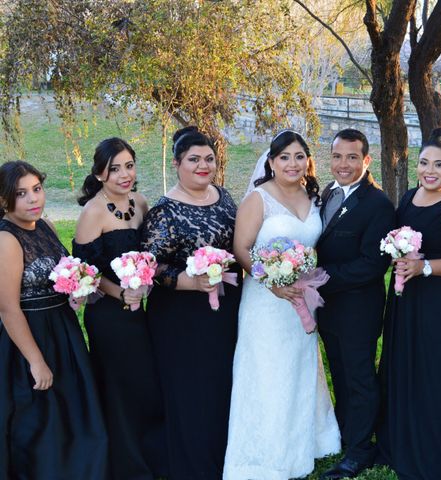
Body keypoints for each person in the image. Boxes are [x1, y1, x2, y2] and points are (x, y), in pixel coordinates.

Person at [224, 130, 340, 480]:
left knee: (298, 369)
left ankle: (303, 442)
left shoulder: (312, 197)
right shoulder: (258, 199)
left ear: (308, 161)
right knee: (267, 371)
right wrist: (271, 282)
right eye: (284, 157)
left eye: (299, 156)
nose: (292, 163)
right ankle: (264, 454)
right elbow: (241, 248)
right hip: (267, 303)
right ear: (271, 162)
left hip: (303, 298)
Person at [141, 126, 242, 480]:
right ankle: (194, 464)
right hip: (182, 316)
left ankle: (226, 455)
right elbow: (148, 267)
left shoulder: (224, 196)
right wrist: (189, 281)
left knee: (221, 383)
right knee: (192, 390)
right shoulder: (164, 212)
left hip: (225, 308)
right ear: (177, 163)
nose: (204, 166)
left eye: (209, 159)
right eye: (194, 160)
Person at [377, 128, 441, 479]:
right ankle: (401, 439)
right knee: (405, 365)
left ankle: (436, 448)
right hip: (406, 299)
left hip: (440, 303)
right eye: (423, 163)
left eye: (438, 164)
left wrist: (426, 267)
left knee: (435, 372)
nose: (429, 171)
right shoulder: (408, 197)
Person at [0, 161, 108, 480]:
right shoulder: (7, 239)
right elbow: (7, 308)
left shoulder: (43, 226)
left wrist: (80, 285)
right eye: (22, 194)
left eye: (37, 189)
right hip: (28, 337)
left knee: (72, 412)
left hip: (61, 329)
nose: (34, 199)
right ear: (5, 199)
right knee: (38, 420)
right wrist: (35, 361)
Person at [72, 138, 167, 479]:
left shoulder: (140, 203)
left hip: (143, 310)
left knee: (147, 384)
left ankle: (154, 456)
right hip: (110, 316)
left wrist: (141, 288)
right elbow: (85, 273)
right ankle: (128, 467)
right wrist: (121, 293)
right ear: (99, 174)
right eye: (115, 169)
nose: (124, 174)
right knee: (121, 388)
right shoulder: (92, 212)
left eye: (129, 165)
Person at [315, 128, 395, 479]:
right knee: (341, 372)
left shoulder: (377, 203)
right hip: (327, 307)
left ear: (366, 160)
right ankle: (348, 433)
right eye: (337, 156)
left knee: (359, 376)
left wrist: (319, 276)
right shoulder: (327, 192)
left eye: (351, 157)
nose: (343, 164)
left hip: (357, 307)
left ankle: (362, 449)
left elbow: (372, 264)